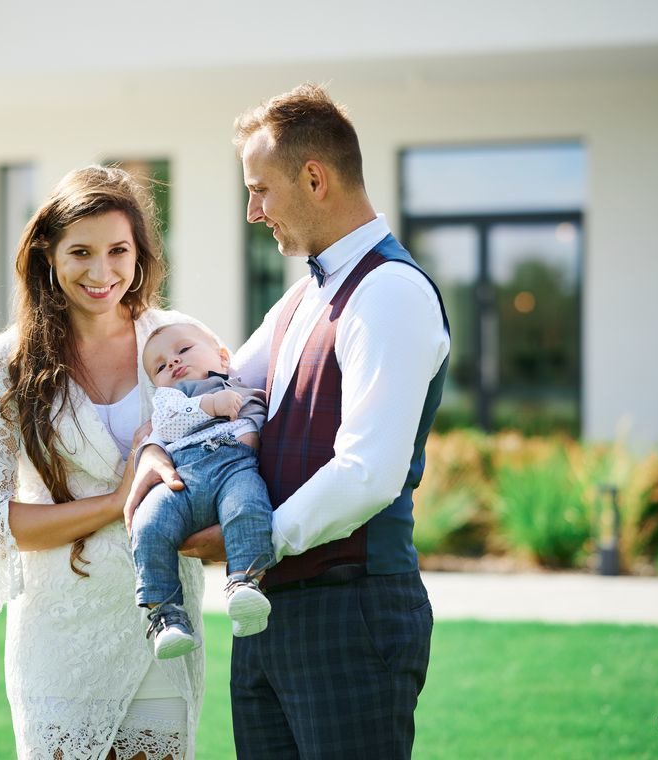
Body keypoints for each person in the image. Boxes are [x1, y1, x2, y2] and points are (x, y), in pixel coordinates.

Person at [128, 84, 451, 759]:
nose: (252, 211)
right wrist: (155, 449)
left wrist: (247, 543)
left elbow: (367, 473)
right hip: (272, 612)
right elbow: (208, 388)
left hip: (349, 612)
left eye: (260, 191)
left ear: (314, 178)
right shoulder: (302, 296)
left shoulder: (390, 292)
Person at [0, 166, 207, 760]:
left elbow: (229, 453)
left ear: (139, 252)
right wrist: (116, 501)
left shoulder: (179, 342)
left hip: (163, 636)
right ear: (47, 254)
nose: (102, 273)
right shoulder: (7, 362)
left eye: (118, 250)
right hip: (59, 642)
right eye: (81, 253)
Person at [126, 322, 274, 660]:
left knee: (247, 506)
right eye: (160, 367)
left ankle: (245, 583)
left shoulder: (247, 389)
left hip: (235, 470)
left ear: (223, 357)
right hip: (183, 480)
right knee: (148, 525)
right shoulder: (170, 399)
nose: (173, 362)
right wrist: (210, 405)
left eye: (183, 350)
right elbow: (167, 424)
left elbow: (267, 426)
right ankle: (166, 615)